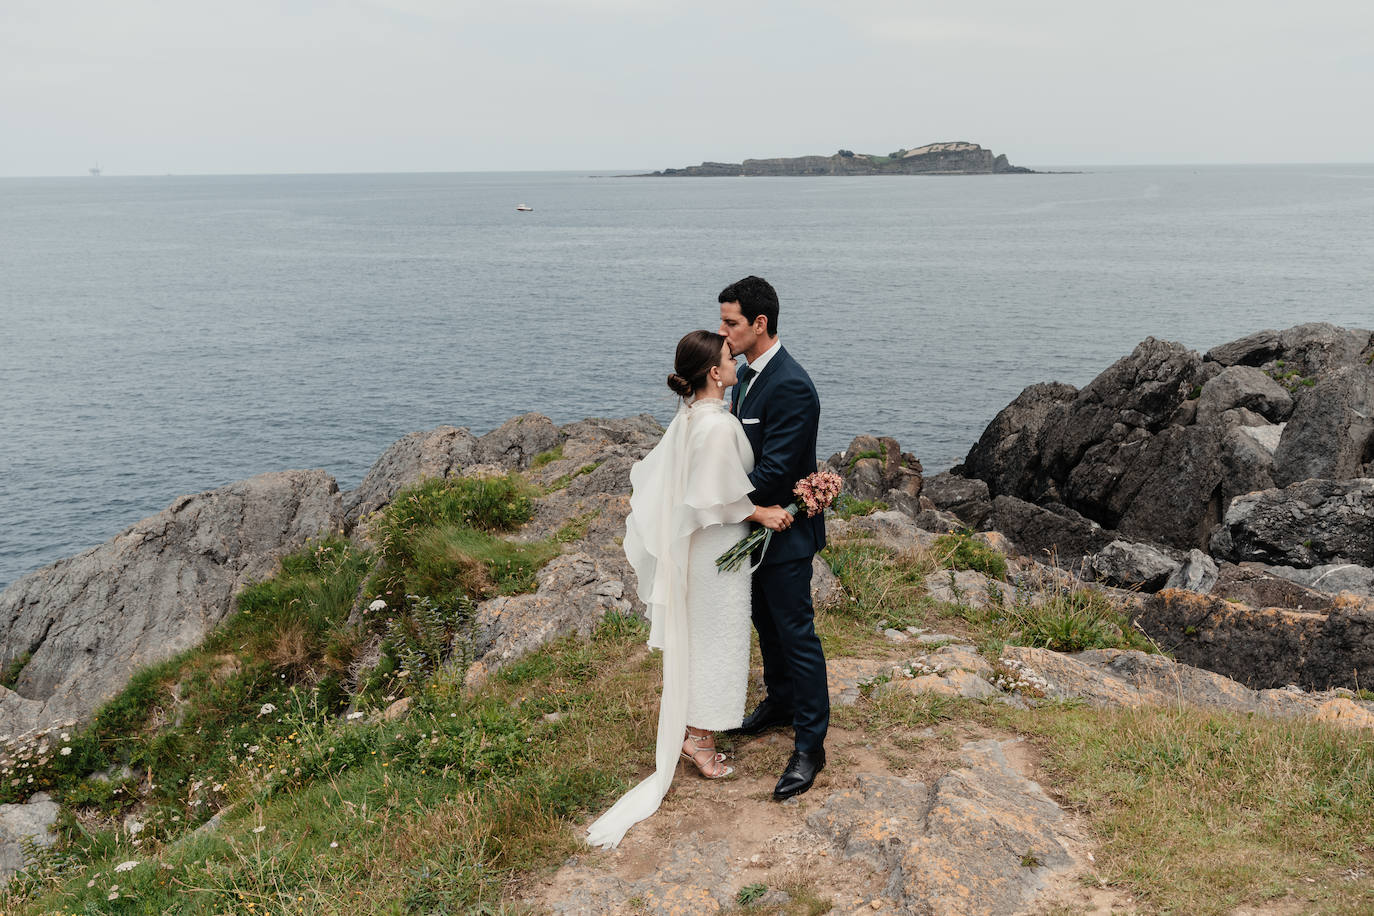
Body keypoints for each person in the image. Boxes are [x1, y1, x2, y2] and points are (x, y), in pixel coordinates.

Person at [585, 330, 792, 850]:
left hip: (704, 548)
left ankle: (695, 729)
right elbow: (711, 496)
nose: (737, 360)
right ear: (715, 374)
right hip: (717, 545)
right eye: (728, 358)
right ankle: (698, 739)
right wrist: (761, 511)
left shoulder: (692, 419)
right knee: (719, 640)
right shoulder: (716, 425)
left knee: (708, 638)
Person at [718, 275, 829, 801]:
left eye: (731, 322)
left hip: (784, 534)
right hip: (754, 528)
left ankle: (810, 745)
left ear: (760, 324)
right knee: (765, 624)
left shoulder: (791, 384)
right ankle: (780, 703)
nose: (723, 331)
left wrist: (716, 500)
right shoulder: (745, 377)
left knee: (797, 636)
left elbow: (776, 471)